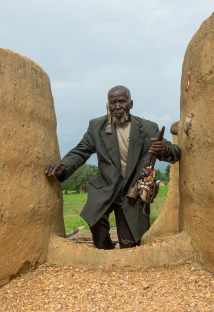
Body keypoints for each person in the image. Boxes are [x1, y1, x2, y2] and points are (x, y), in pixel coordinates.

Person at [45, 85, 180, 250]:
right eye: (113, 102)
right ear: (108, 105)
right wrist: (63, 166)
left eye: (121, 101)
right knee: (95, 221)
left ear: (131, 104)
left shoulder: (147, 128)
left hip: (132, 193)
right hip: (105, 187)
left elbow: (175, 153)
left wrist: (165, 149)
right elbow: (81, 151)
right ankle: (105, 253)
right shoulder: (97, 127)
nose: (117, 106)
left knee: (129, 244)